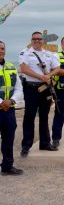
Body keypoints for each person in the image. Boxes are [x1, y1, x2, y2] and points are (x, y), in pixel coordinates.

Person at [19, 32, 59, 157]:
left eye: (39, 39)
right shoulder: (25, 53)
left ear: (43, 41)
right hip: (31, 88)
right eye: (34, 39)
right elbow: (24, 69)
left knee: (44, 116)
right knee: (29, 116)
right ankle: (26, 145)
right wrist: (41, 76)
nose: (37, 41)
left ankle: (45, 143)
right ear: (31, 40)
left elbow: (57, 68)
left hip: (45, 89)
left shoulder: (49, 54)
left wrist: (48, 76)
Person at [0, 41, 23, 175]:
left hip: (9, 110)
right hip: (3, 106)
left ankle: (7, 166)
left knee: (8, 139)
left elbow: (19, 88)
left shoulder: (11, 67)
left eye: (3, 48)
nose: (1, 51)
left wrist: (11, 100)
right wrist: (2, 102)